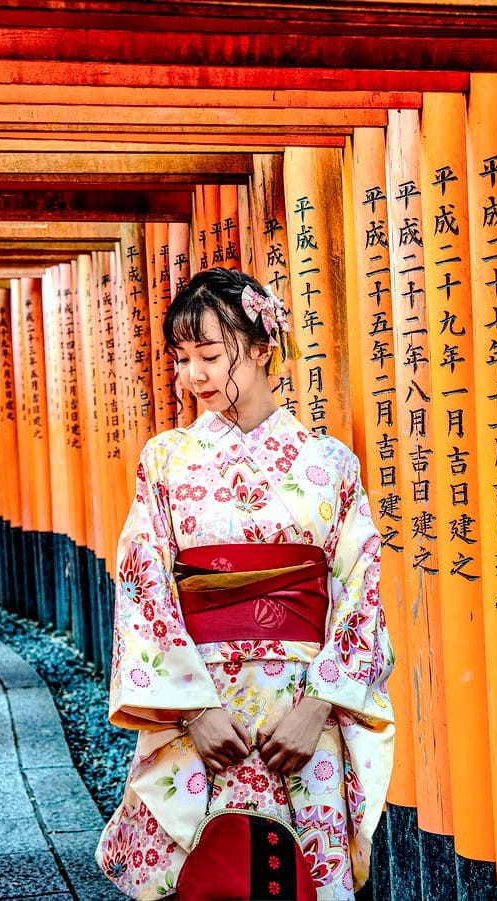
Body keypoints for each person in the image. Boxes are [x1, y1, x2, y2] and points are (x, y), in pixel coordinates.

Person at [95, 267, 394, 900]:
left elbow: (358, 584)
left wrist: (318, 707)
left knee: (303, 876)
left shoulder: (328, 460)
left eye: (210, 354)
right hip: (205, 705)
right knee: (207, 872)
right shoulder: (166, 459)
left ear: (262, 349)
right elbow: (143, 584)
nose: (193, 375)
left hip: (304, 709)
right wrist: (195, 711)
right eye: (181, 359)